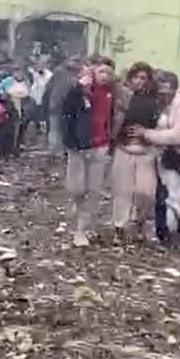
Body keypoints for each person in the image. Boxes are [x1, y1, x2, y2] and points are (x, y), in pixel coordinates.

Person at [135, 71, 180, 246]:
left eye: (166, 91)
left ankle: (178, 235)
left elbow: (179, 136)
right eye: (160, 91)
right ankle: (165, 235)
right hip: (167, 156)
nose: (163, 95)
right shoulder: (159, 104)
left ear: (174, 89)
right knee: (163, 197)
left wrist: (147, 134)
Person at [61, 63, 115, 247]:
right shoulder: (80, 92)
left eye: (109, 72)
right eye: (101, 71)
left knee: (94, 191)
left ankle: (81, 230)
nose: (105, 76)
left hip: (100, 146)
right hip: (79, 147)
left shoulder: (112, 94)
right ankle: (77, 202)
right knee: (76, 188)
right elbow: (66, 112)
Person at [110, 62, 162, 242]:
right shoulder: (122, 98)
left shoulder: (154, 101)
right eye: (136, 77)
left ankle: (139, 223)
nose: (139, 81)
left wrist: (146, 134)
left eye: (143, 78)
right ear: (130, 78)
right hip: (124, 149)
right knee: (122, 191)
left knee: (146, 192)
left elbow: (158, 126)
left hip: (145, 151)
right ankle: (119, 228)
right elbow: (113, 123)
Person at [45, 57, 80, 154]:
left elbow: (49, 85)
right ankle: (55, 149)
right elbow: (49, 85)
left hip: (69, 105)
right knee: (56, 126)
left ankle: (60, 149)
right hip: (59, 103)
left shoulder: (76, 73)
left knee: (63, 128)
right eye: (73, 61)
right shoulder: (60, 72)